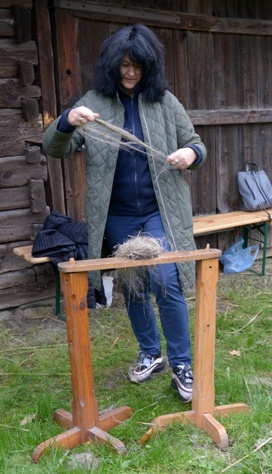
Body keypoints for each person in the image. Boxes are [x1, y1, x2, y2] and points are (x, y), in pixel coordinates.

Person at [42, 24, 206, 402]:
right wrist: (67, 121)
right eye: (124, 66)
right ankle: (151, 353)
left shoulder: (165, 103)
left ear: (150, 66)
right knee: (134, 286)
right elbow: (56, 148)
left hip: (159, 211)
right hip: (117, 217)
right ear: (112, 65)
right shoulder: (95, 103)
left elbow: (196, 145)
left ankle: (182, 364)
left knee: (164, 278)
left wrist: (190, 155)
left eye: (137, 66)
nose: (130, 73)